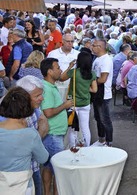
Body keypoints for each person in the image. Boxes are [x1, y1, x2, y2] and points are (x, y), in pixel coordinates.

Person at [0, 87, 49, 195]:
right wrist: (41, 132)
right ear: (27, 108)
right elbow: (43, 158)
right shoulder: (30, 135)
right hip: (22, 188)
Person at [40, 58, 73, 195]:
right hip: (53, 134)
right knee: (58, 171)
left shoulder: (49, 86)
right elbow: (48, 112)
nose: (60, 70)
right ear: (49, 71)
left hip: (53, 133)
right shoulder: (47, 88)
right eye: (58, 67)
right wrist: (65, 106)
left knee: (48, 167)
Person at [64, 51, 97, 147]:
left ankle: (72, 147)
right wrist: (86, 88)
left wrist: (70, 66)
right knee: (85, 127)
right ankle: (87, 147)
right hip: (85, 103)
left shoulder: (74, 72)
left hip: (73, 104)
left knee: (73, 129)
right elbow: (94, 90)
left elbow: (61, 78)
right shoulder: (92, 74)